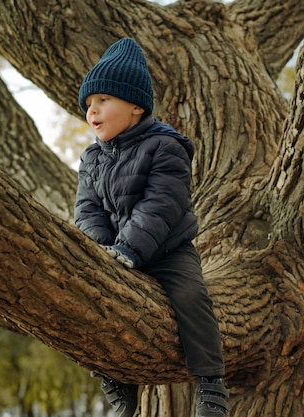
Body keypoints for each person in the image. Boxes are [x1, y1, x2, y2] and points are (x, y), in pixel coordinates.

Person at [74, 38, 230, 417]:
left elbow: (161, 205)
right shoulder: (92, 158)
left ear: (135, 106)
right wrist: (105, 247)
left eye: (103, 101)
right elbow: (86, 208)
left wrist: (129, 249)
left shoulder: (165, 146)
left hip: (167, 251)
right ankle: (116, 380)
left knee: (192, 298)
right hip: (116, 252)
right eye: (88, 105)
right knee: (88, 300)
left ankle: (211, 384)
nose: (92, 111)